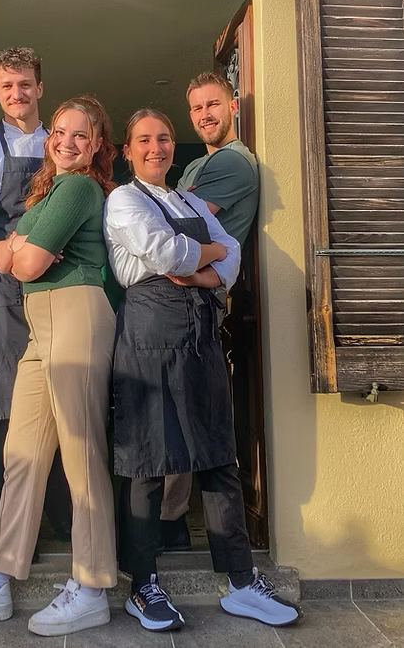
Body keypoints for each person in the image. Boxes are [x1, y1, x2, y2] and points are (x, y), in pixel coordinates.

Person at [104, 109, 300, 632]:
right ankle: (142, 586)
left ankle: (240, 581)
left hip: (200, 338)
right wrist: (208, 260)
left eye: (164, 139)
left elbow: (232, 253)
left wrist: (203, 269)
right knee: (148, 460)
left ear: (174, 146)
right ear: (128, 151)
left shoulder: (188, 199)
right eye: (143, 140)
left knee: (219, 457)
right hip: (148, 338)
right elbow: (161, 250)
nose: (156, 147)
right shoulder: (122, 199)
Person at [0, 96, 118, 637]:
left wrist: (19, 244)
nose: (65, 141)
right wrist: (19, 245)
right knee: (22, 454)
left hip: (76, 312)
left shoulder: (80, 187)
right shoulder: (48, 189)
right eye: (59, 131)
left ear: (98, 144)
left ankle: (92, 585)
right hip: (41, 323)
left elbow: (25, 262)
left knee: (80, 451)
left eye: (81, 135)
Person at [0, 46, 70, 538]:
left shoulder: (60, 146)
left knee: (61, 401)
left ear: (40, 88)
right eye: (7, 86)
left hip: (55, 289)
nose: (17, 94)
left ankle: (67, 525)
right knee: (4, 407)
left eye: (25, 84)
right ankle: (19, 532)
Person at [161, 71, 259, 552]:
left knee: (189, 419)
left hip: (202, 304)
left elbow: (185, 227)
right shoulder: (199, 165)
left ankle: (179, 526)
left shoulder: (235, 165)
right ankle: (170, 522)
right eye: (197, 108)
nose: (205, 115)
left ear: (233, 105)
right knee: (173, 413)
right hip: (179, 298)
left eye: (213, 104)